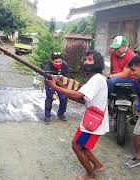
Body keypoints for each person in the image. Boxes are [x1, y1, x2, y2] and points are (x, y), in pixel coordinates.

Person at [46, 50, 109, 180]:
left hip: (93, 121)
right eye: (86, 59)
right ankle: (97, 165)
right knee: (82, 146)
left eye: (90, 59)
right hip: (93, 119)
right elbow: (81, 98)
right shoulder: (95, 78)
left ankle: (91, 175)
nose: (86, 62)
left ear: (97, 63)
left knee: (76, 145)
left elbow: (78, 95)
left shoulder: (96, 79)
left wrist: (55, 87)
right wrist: (61, 85)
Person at [43, 52, 69, 125]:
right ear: (52, 61)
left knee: (64, 98)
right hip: (50, 82)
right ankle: (47, 116)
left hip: (61, 83)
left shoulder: (65, 65)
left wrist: (63, 77)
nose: (58, 63)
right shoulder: (48, 65)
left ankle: (61, 113)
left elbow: (67, 75)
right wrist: (52, 76)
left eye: (60, 61)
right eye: (56, 62)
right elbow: (45, 74)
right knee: (50, 98)